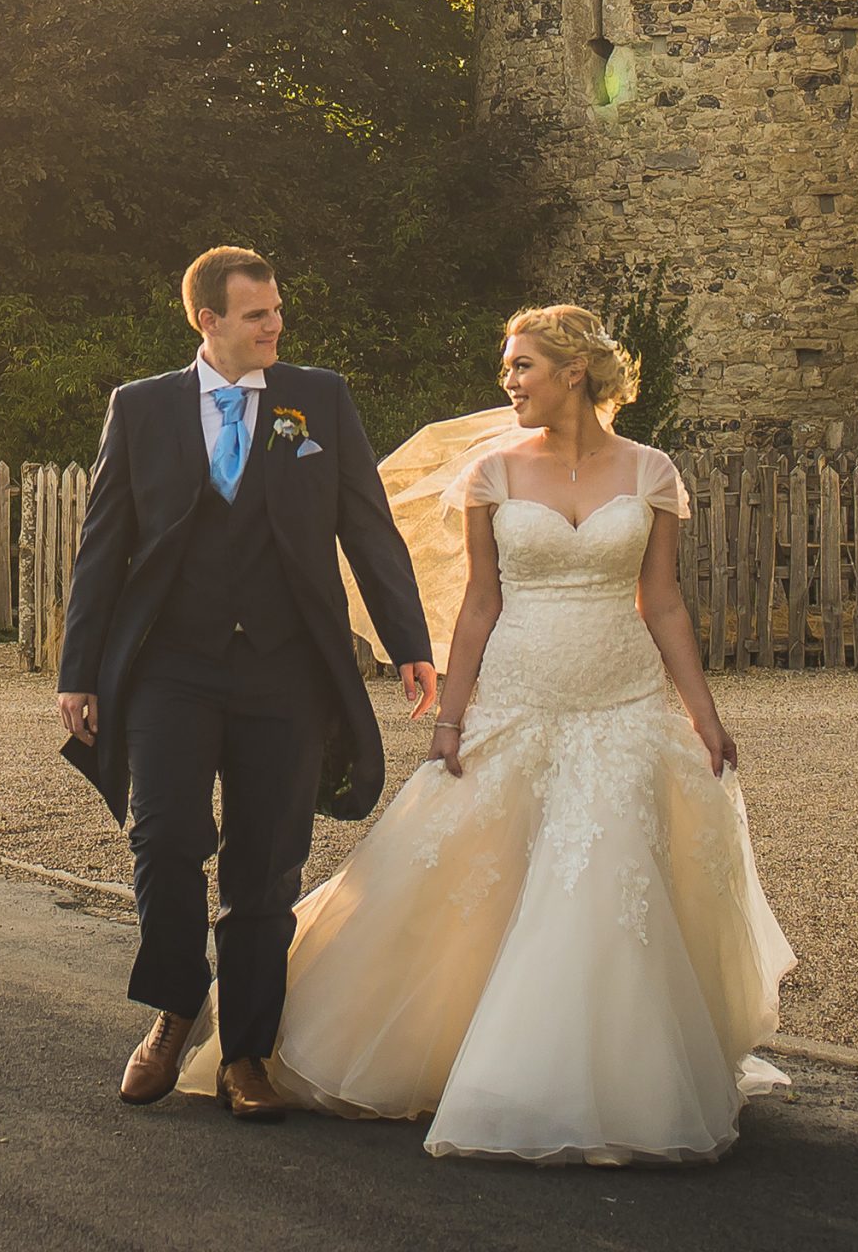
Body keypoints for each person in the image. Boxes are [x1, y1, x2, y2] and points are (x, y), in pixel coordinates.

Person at [179, 302, 795, 1163]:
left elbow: (659, 602)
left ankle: (611, 1080)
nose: (507, 383)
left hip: (620, 696)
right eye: (508, 368)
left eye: (521, 367)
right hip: (518, 688)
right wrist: (453, 717)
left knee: (609, 873)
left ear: (574, 371)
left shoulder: (651, 472)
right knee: (477, 867)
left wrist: (702, 712)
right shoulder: (493, 472)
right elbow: (478, 605)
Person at [56, 247, 436, 1121]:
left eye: (276, 310)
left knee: (266, 867)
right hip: (170, 668)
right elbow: (102, 548)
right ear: (208, 321)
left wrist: (408, 641)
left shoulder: (320, 399)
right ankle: (175, 1007)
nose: (275, 326)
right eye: (257, 314)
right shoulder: (142, 407)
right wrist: (79, 671)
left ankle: (248, 1056)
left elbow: (366, 527)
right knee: (163, 839)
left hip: (284, 670)